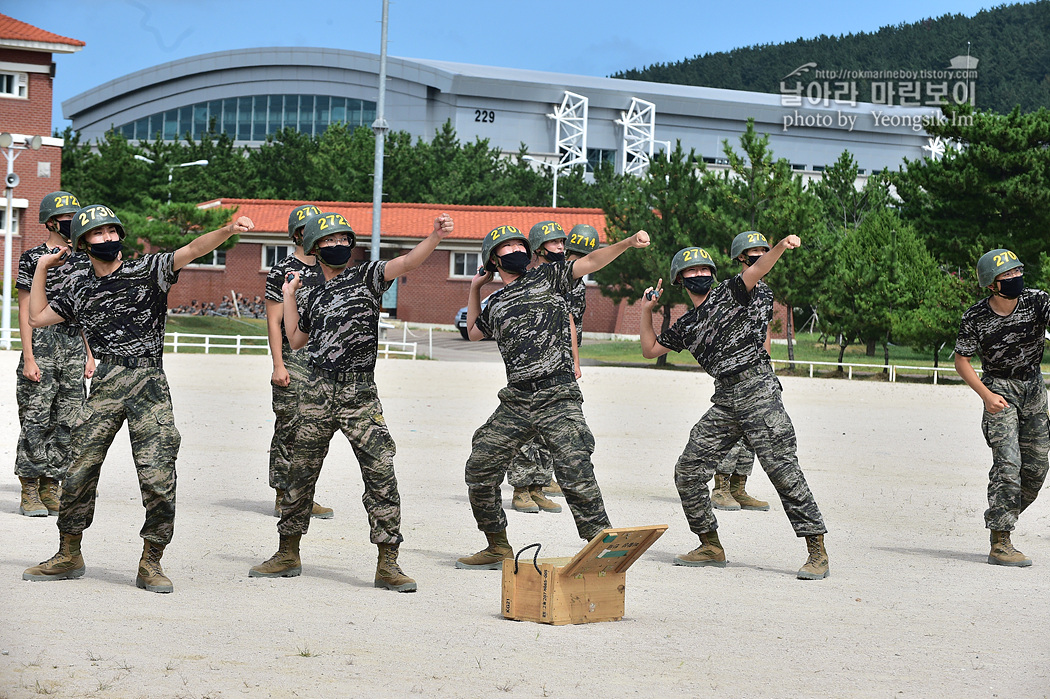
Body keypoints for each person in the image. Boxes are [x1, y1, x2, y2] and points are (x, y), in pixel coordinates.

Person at [22, 204, 255, 593]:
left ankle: (151, 561)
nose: (109, 238)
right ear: (83, 242)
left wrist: (228, 230)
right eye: (99, 233)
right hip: (107, 381)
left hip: (148, 382)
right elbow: (37, 317)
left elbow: (193, 250)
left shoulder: (147, 271)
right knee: (78, 470)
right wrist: (44, 268)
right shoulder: (79, 286)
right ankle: (68, 553)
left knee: (158, 474)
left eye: (113, 231)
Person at [249, 211, 455, 593]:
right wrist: (292, 296)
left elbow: (408, 261)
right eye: (329, 241)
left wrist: (435, 237)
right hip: (317, 390)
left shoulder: (368, 276)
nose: (339, 246)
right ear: (314, 247)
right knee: (300, 474)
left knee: (381, 472)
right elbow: (295, 338)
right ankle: (287, 552)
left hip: (359, 393)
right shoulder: (310, 290)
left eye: (344, 240)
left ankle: (388, 562)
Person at [456, 224, 651, 570]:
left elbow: (590, 262)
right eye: (508, 247)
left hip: (556, 393)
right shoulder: (496, 302)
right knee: (480, 467)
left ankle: (601, 550)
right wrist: (475, 288)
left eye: (520, 244)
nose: (517, 249)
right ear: (493, 259)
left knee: (575, 465)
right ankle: (497, 544)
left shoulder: (548, 276)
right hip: (517, 398)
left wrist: (627, 243)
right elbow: (472, 333)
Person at [638, 236, 829, 580]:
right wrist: (646, 312)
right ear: (680, 279)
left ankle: (817, 551)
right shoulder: (686, 325)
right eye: (692, 270)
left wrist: (782, 246)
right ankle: (710, 545)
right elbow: (650, 349)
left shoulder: (730, 292)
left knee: (783, 472)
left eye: (704, 268)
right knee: (688, 470)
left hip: (758, 390)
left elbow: (758, 267)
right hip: (725, 400)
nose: (700, 273)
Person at [954, 249, 1049, 567]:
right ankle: (1000, 540)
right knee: (1008, 466)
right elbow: (961, 361)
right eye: (1006, 275)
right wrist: (985, 395)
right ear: (991, 284)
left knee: (1035, 472)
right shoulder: (975, 317)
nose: (1015, 278)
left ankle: (1002, 515)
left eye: (1017, 271)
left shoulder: (1038, 301)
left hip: (1034, 389)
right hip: (998, 391)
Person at [14, 191, 93, 518]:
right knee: (36, 416)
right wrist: (29, 356)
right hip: (43, 343)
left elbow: (87, 311)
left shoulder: (84, 259)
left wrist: (90, 354)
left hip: (74, 345)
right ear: (50, 222)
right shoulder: (33, 258)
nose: (73, 224)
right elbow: (23, 308)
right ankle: (29, 488)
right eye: (66, 219)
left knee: (69, 420)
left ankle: (52, 484)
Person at [265, 204, 334, 520]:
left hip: (325, 365)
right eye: (311, 228)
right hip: (294, 363)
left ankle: (306, 494)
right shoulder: (283, 271)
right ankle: (283, 495)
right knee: (290, 428)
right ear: (297, 234)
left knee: (317, 432)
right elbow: (273, 320)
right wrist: (279, 365)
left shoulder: (330, 269)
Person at [502, 221, 570, 516]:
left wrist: (573, 360)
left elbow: (569, 322)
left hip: (557, 363)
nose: (561, 248)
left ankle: (538, 487)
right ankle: (520, 490)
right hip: (529, 367)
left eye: (562, 243)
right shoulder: (531, 277)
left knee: (549, 430)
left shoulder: (560, 277)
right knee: (526, 431)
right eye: (555, 243)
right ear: (539, 248)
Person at [710, 231, 773, 513]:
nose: (760, 254)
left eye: (764, 249)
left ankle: (739, 487)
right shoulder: (734, 288)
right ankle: (720, 487)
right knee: (730, 429)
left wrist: (767, 364)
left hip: (758, 372)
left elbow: (765, 330)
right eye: (754, 250)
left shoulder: (767, 292)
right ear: (741, 257)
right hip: (733, 371)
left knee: (754, 431)